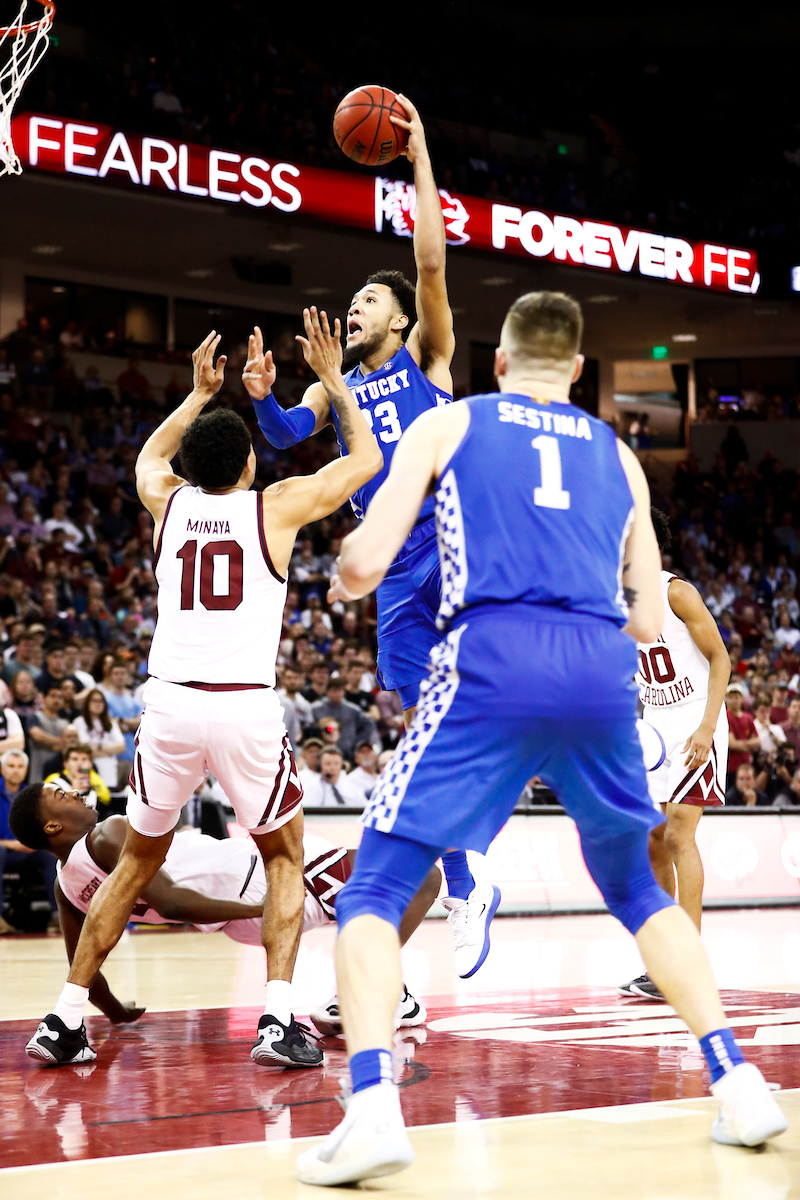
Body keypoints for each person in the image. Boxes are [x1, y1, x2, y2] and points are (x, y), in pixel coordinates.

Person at [295, 291, 787, 1186]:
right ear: (577, 368)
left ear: (498, 364)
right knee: (639, 886)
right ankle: (740, 1083)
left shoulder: (452, 424)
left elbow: (368, 558)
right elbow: (646, 620)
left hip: (490, 659)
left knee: (372, 888)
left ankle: (371, 1108)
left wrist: (345, 573)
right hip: (599, 670)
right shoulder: (622, 458)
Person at [25, 313, 382, 1072]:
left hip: (170, 705)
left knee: (134, 862)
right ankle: (278, 1018)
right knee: (286, 857)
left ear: (192, 467)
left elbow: (149, 457)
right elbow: (363, 465)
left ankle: (64, 1017)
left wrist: (195, 393)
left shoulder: (170, 501)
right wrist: (335, 383)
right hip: (244, 704)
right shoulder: (274, 507)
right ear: (249, 464)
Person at [244, 96, 497, 967]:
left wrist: (420, 155)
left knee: (463, 700)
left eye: (365, 301)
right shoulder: (340, 381)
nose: (352, 310)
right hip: (386, 556)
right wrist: (264, 393)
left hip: (451, 530)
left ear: (398, 318)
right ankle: (469, 882)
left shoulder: (427, 355)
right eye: (350, 301)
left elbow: (429, 262)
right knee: (420, 710)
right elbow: (283, 438)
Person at [8, 780, 434, 1027]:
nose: (78, 793)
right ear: (52, 825)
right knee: (422, 878)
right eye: (63, 797)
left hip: (235, 916)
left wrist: (118, 1014)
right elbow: (173, 902)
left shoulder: (67, 887)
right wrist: (266, 908)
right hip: (262, 886)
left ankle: (384, 989)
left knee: (376, 894)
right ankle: (367, 992)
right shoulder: (108, 833)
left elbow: (81, 965)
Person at [619, 509, 730, 1001]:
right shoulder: (621, 601)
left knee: (681, 835)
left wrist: (708, 726)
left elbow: (721, 658)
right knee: (652, 840)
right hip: (658, 726)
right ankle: (663, 958)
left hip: (694, 720)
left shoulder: (676, 592)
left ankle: (688, 961)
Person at [0, 749, 57, 934]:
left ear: (26, 770)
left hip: (26, 851)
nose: (15, 770)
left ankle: (58, 916)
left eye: (20, 766)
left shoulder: (33, 797)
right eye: (11, 766)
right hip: (4, 851)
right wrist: (9, 844)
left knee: (49, 854)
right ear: (2, 769)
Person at [72, 688, 126, 790]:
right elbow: (86, 749)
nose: (97, 704)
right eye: (94, 700)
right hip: (89, 769)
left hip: (110, 769)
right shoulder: (79, 722)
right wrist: (109, 751)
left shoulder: (111, 723)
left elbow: (121, 746)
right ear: (87, 703)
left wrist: (99, 748)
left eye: (100, 701)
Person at [44, 742, 110, 812]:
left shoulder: (94, 788)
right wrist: (73, 792)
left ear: (90, 764)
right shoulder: (54, 785)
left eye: (84, 759)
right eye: (75, 759)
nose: (79, 764)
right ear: (65, 764)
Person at [301, 747, 366, 807]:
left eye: (336, 764)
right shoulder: (309, 790)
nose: (332, 768)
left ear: (341, 766)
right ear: (320, 766)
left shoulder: (353, 787)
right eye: (328, 764)